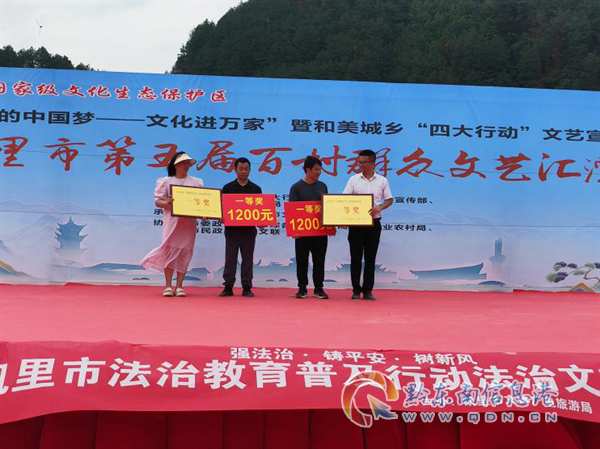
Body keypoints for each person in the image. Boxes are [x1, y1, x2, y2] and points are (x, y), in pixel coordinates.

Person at [142, 152, 203, 297]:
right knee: (169, 251)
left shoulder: (196, 182)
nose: (186, 166)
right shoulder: (166, 181)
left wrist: (204, 212)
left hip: (188, 224)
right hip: (172, 222)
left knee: (184, 252)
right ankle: (168, 285)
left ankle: (180, 286)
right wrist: (167, 202)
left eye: (188, 163)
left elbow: (200, 202)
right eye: (183, 163)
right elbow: (158, 202)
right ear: (176, 165)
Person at [343, 150, 393, 300]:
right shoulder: (353, 180)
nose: (361, 165)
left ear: (373, 163)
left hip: (374, 224)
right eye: (359, 162)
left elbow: (389, 200)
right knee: (355, 258)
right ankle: (356, 290)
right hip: (356, 225)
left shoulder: (382, 180)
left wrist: (379, 208)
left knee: (370, 259)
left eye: (364, 162)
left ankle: (368, 290)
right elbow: (344, 199)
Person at [219, 157, 262, 297]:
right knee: (230, 258)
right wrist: (221, 216)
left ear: (250, 170)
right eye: (241, 169)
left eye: (246, 169)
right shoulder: (227, 188)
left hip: (249, 230)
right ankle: (228, 286)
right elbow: (222, 208)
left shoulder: (256, 189)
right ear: (235, 170)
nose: (243, 171)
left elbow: (259, 210)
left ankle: (247, 287)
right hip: (232, 230)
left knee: (248, 259)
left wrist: (262, 221)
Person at [289, 156, 329, 299]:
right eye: (316, 169)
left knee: (319, 261)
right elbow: (293, 211)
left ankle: (319, 288)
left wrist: (330, 225)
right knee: (302, 261)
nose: (319, 172)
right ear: (307, 170)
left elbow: (327, 208)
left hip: (320, 232)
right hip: (302, 233)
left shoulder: (322, 186)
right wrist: (295, 230)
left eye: (320, 170)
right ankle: (302, 289)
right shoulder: (296, 187)